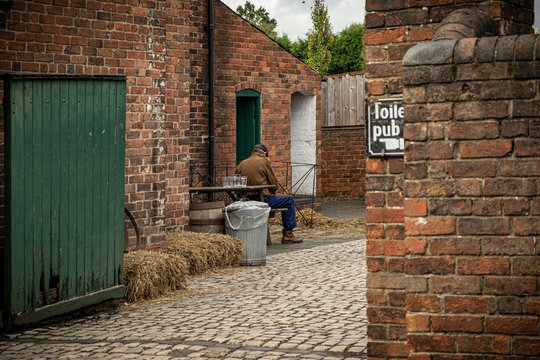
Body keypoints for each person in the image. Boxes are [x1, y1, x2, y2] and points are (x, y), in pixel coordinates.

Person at [236, 144, 303, 244]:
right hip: (262, 200)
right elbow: (273, 183)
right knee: (289, 199)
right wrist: (273, 191)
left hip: (246, 201)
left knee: (285, 199)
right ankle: (288, 235)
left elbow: (237, 183)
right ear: (264, 154)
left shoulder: (242, 163)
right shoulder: (264, 161)